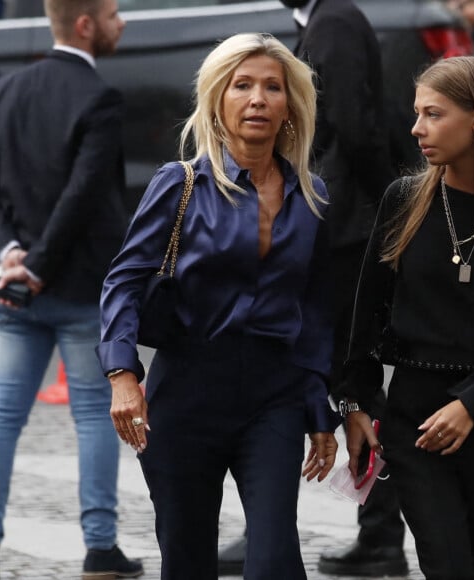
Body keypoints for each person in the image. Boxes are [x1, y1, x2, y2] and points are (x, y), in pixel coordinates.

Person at [97, 32, 340, 580]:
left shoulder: (314, 198)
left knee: (276, 561)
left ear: (290, 108)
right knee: (187, 561)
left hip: (272, 398)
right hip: (186, 396)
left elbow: (317, 314)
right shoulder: (179, 183)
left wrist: (320, 410)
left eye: (272, 87)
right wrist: (121, 373)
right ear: (217, 100)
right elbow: (125, 280)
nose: (258, 98)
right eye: (242, 85)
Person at [217, 1, 408, 577]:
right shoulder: (326, 21)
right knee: (312, 370)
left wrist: (393, 211)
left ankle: (377, 539)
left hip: (345, 230)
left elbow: (354, 122)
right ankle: (292, 530)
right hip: (339, 222)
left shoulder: (337, 22)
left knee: (350, 380)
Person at [340, 55, 474, 580]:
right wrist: (358, 402)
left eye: (433, 114)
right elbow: (366, 311)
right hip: (416, 423)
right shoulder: (403, 201)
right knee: (449, 566)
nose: (416, 128)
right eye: (416, 113)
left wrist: (473, 403)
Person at [0, 1, 143, 579]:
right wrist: (38, 263)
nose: (123, 24)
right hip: (76, 285)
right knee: (94, 415)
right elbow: (85, 195)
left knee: (1, 414)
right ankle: (99, 550)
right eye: (115, 14)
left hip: (13, 287)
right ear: (86, 24)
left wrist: (8, 254)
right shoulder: (100, 98)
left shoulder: (7, 91)